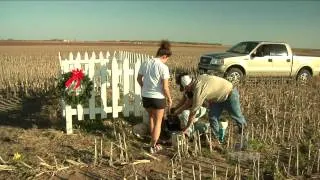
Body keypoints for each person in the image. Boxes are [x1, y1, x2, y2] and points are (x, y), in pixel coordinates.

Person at [179, 74, 247, 143]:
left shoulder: (198, 91)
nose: (186, 90)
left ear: (188, 86)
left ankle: (244, 137)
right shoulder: (198, 78)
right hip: (218, 98)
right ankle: (216, 139)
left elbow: (193, 112)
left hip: (230, 93)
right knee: (212, 116)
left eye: (185, 88)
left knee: (236, 116)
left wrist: (187, 128)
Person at [137, 40, 172, 154]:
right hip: (158, 98)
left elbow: (138, 79)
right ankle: (153, 145)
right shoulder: (163, 67)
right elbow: (165, 87)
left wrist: (144, 88)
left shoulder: (145, 63)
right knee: (158, 122)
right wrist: (170, 99)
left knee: (151, 118)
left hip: (146, 97)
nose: (166, 61)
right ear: (164, 56)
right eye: (167, 59)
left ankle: (153, 141)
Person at [171, 73, 209, 137]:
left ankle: (189, 134)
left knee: (185, 113)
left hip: (200, 108)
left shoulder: (195, 90)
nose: (184, 89)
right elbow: (182, 101)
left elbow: (187, 104)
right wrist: (174, 108)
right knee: (181, 117)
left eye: (186, 87)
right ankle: (204, 127)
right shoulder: (187, 90)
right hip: (192, 108)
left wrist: (176, 112)